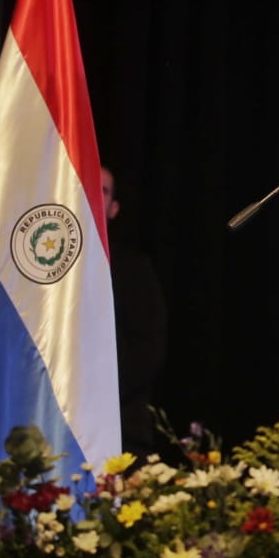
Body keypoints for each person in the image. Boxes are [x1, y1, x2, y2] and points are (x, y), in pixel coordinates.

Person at [102, 166, 168, 458]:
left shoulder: (134, 269)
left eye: (102, 190)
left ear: (114, 209)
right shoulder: (48, 268)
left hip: (120, 428)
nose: (91, 192)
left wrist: (99, 395)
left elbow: (149, 349)